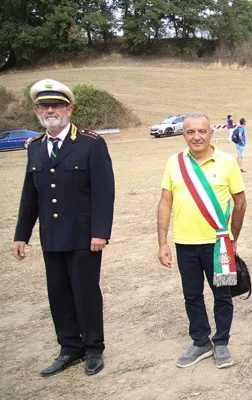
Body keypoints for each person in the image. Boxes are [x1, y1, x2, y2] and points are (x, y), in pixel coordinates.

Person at [13, 79, 115, 376]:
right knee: (58, 294)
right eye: (44, 106)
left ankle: (94, 348)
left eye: (56, 105)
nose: (50, 111)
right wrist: (21, 235)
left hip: (84, 236)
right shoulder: (34, 147)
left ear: (69, 108)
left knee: (85, 292)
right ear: (36, 111)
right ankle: (70, 347)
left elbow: (104, 192)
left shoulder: (91, 143)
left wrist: (100, 232)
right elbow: (29, 195)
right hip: (52, 236)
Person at [157, 113, 246, 369]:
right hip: (184, 243)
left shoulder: (228, 162)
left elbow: (240, 202)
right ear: (183, 135)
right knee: (192, 295)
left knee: (223, 295)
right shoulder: (174, 163)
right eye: (190, 132)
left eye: (202, 131)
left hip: (219, 244)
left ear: (211, 133)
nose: (196, 136)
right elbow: (165, 202)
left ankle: (221, 343)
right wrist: (163, 242)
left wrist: (233, 238)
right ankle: (200, 342)